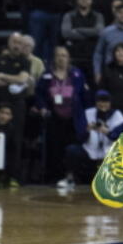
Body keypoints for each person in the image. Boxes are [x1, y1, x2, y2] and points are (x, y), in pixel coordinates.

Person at [35, 46, 88, 189]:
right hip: (54, 117)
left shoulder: (76, 74)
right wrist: (42, 107)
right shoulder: (47, 75)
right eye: (58, 55)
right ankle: (56, 176)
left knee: (72, 147)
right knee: (55, 147)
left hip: (73, 118)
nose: (61, 58)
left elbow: (84, 95)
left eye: (64, 55)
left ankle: (72, 175)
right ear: (54, 58)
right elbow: (39, 94)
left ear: (68, 58)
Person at [65, 92, 123, 184]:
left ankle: (118, 181)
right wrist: (87, 130)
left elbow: (120, 137)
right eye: (100, 101)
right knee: (71, 150)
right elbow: (80, 137)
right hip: (90, 150)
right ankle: (71, 177)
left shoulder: (117, 115)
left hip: (109, 152)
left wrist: (107, 131)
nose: (103, 104)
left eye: (106, 102)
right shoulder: (88, 113)